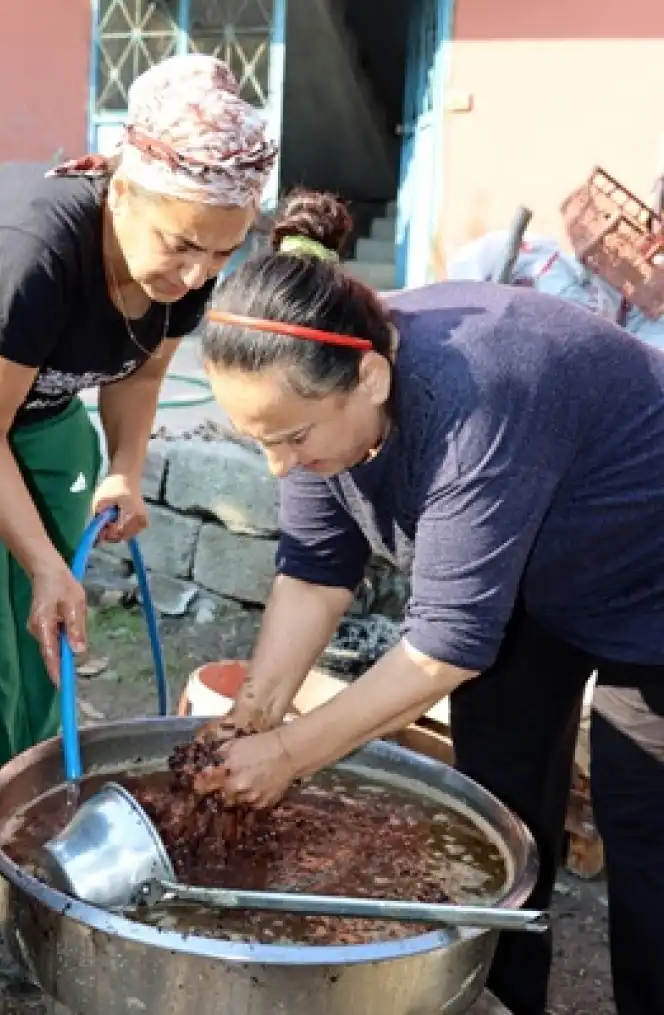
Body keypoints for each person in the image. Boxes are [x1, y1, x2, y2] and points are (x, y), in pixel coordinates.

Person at [195, 189, 664, 1015]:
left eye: (292, 437)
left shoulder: (479, 393)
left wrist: (293, 753)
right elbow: (313, 573)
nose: (276, 465)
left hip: (648, 573)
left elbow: (444, 643)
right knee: (497, 805)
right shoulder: (310, 388)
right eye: (258, 440)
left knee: (646, 825)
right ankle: (504, 1000)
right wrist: (255, 713)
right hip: (533, 578)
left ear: (370, 377)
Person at [0, 53, 276, 941]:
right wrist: (47, 563)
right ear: (122, 189)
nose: (199, 272)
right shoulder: (33, 248)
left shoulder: (185, 266)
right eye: (182, 243)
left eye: (224, 248)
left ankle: (38, 842)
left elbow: (145, 367)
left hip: (42, 411)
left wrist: (126, 463)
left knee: (38, 650)